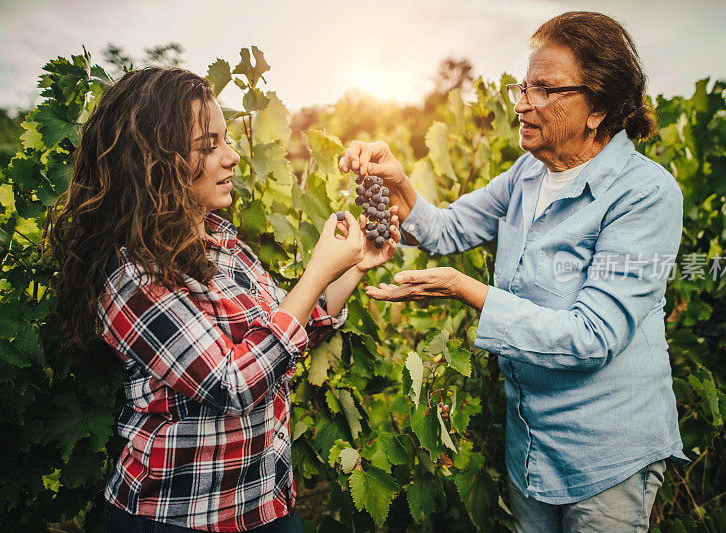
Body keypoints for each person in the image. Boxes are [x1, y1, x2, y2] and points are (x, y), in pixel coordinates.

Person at [339, 11, 687, 533]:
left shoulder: (645, 195)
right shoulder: (529, 171)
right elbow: (447, 229)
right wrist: (398, 182)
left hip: (607, 456)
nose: (522, 103)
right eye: (524, 86)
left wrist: (468, 292)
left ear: (599, 109)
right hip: (531, 447)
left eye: (545, 90)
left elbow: (593, 337)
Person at [49, 67, 400, 532]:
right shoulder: (132, 275)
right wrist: (316, 270)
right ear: (156, 161)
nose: (232, 157)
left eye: (226, 139)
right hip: (179, 516)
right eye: (207, 145)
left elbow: (294, 328)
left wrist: (353, 267)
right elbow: (232, 384)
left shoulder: (224, 244)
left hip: (267, 505)